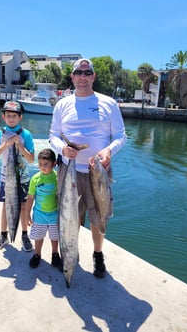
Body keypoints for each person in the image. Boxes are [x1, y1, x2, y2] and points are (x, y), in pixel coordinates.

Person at [49, 58, 127, 278]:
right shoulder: (62, 105)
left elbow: (121, 136)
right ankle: (70, 253)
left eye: (87, 73)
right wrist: (63, 149)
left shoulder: (108, 103)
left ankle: (98, 254)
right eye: (78, 73)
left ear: (93, 76)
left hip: (98, 172)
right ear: (72, 77)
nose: (82, 77)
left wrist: (109, 150)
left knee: (98, 217)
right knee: (68, 216)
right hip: (68, 170)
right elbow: (53, 136)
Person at [0, 101, 34, 253]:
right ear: (3, 117)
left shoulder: (26, 134)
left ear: (20, 117)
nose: (11, 119)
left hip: (23, 179)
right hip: (6, 179)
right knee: (5, 206)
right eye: (8, 116)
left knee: (23, 207)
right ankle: (3, 235)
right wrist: (6, 145)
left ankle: (24, 235)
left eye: (14, 116)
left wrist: (19, 145)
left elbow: (31, 159)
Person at [26, 148, 61, 268]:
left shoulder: (58, 178)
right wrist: (27, 214)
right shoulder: (35, 179)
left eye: (46, 164)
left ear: (54, 164)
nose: (42, 167)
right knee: (38, 236)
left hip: (54, 214)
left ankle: (55, 254)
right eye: (40, 164)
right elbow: (30, 198)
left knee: (55, 237)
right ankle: (37, 254)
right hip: (39, 215)